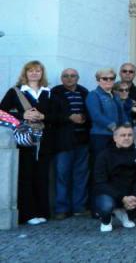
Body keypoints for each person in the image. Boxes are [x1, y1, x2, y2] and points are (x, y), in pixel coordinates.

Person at [0, 60, 55, 225]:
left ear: (42, 73)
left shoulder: (48, 93)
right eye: (30, 70)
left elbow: (58, 115)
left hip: (45, 141)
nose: (34, 73)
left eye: (37, 70)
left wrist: (44, 117)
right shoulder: (15, 91)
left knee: (42, 176)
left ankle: (42, 211)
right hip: (25, 140)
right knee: (26, 176)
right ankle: (28, 214)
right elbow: (1, 112)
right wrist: (22, 116)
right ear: (25, 73)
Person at [93, 124, 136, 232]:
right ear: (115, 138)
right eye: (123, 135)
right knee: (106, 206)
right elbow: (101, 183)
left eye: (129, 135)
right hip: (109, 193)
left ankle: (125, 214)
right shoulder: (104, 155)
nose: (126, 138)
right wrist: (122, 198)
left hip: (130, 193)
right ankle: (106, 219)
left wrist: (133, 196)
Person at [49, 68, 91, 220]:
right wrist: (69, 117)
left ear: (78, 78)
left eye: (72, 76)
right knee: (62, 175)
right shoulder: (55, 93)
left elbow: (90, 111)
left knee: (81, 175)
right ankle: (61, 209)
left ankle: (79, 207)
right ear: (61, 78)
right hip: (63, 141)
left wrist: (84, 117)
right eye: (65, 76)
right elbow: (50, 115)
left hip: (83, 140)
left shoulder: (84, 92)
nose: (69, 78)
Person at [86, 68, 127, 157]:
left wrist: (126, 127)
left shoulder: (116, 96)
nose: (108, 80)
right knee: (100, 164)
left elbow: (122, 114)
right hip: (100, 136)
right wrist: (114, 127)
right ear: (98, 80)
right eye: (105, 78)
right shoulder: (93, 94)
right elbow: (96, 115)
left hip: (117, 136)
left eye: (111, 78)